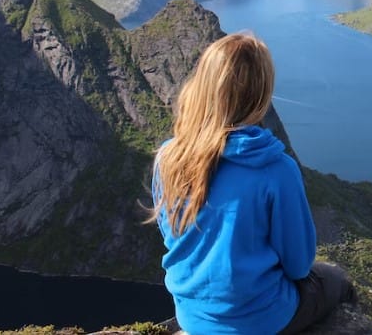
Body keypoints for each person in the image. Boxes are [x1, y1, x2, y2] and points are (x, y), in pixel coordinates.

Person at [150, 33, 355, 334]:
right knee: (337, 282)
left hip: (192, 316)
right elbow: (298, 266)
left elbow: (173, 237)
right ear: (260, 96)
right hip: (260, 320)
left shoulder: (169, 157)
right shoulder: (276, 169)